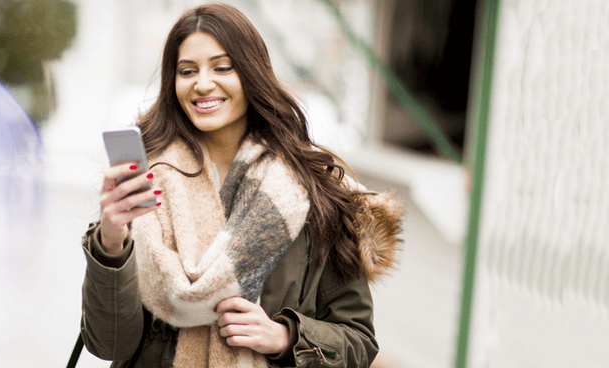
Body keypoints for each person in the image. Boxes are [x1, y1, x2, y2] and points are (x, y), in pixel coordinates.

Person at [79, 3, 402, 367]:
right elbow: (110, 345)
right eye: (187, 71)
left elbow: (358, 341)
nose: (202, 84)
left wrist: (284, 337)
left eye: (222, 67)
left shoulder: (311, 191)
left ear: (251, 72)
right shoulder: (148, 182)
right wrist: (110, 241)